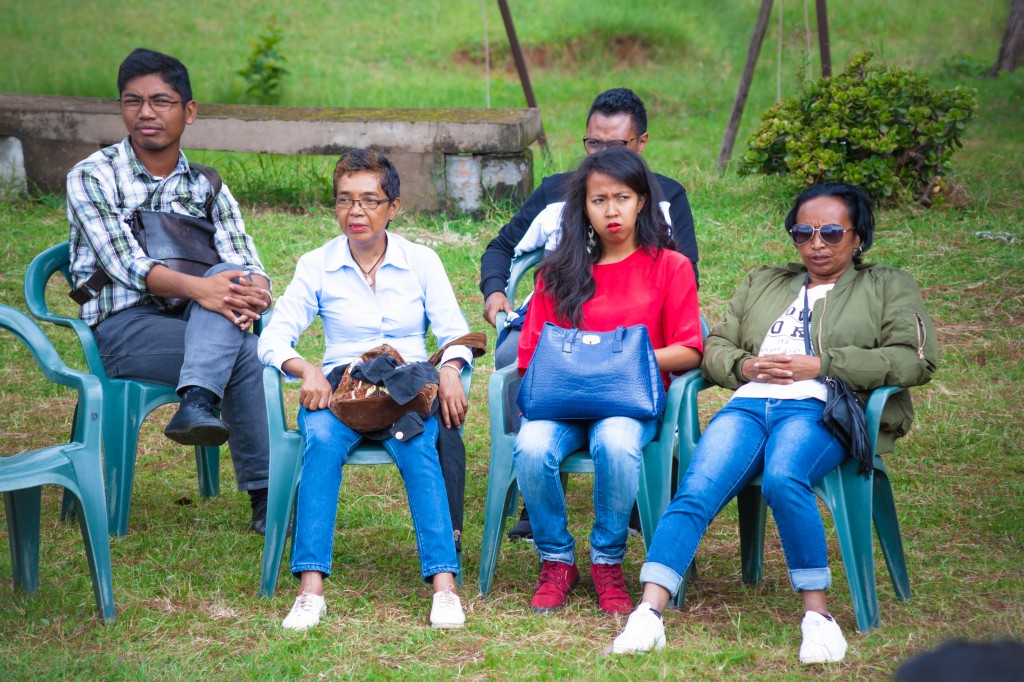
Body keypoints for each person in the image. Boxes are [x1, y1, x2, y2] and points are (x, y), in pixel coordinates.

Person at [611, 183, 939, 662]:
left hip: (820, 405)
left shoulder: (887, 285)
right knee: (697, 486)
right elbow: (716, 346)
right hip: (750, 404)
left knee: (786, 477)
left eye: (831, 232)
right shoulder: (763, 281)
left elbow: (915, 360)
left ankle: (818, 619)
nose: (816, 244)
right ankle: (649, 613)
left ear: (859, 237)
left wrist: (822, 364)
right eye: (803, 232)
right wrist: (746, 367)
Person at [257, 149, 472, 630]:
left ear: (393, 207)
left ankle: (444, 586)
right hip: (342, 386)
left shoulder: (421, 261)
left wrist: (453, 367)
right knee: (322, 440)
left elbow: (454, 332)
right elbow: (272, 337)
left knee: (421, 447)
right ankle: (310, 589)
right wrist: (306, 368)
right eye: (345, 200)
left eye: (369, 201)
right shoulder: (317, 264)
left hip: (406, 386)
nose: (355, 212)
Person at [481, 87, 700, 541]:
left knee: (621, 436)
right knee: (511, 365)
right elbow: (503, 247)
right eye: (593, 144)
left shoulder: (667, 201)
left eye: (615, 146)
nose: (600, 154)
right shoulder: (556, 202)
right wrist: (494, 292)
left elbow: (685, 284)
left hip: (639, 343)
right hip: (562, 343)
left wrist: (622, 357)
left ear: (640, 145)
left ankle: (634, 513)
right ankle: (537, 509)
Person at [66, 48, 271, 533]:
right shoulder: (93, 175)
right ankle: (268, 496)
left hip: (199, 322)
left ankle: (196, 401)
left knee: (232, 279)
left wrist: (254, 289)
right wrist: (206, 290)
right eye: (132, 101)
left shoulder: (207, 185)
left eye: (161, 101)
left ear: (189, 111)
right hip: (126, 327)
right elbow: (125, 264)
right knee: (248, 352)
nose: (146, 113)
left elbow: (246, 257)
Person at [513, 147, 703, 615]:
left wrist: (619, 360)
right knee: (532, 447)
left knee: (617, 443)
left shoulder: (670, 266)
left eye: (622, 197)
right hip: (563, 403)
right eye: (599, 200)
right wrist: (590, 366)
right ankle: (556, 559)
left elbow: (690, 348)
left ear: (642, 202)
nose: (611, 210)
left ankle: (607, 560)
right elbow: (530, 354)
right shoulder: (558, 272)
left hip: (630, 402)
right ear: (583, 208)